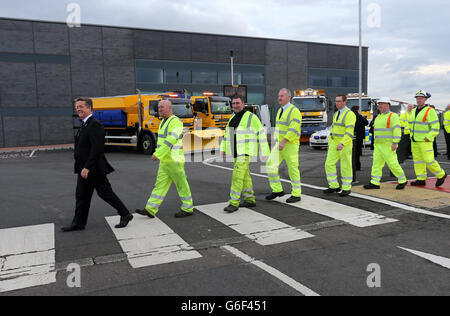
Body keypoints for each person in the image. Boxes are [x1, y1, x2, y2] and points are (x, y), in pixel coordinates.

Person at [62, 97, 133, 232]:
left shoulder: (95, 124)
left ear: (89, 108)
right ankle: (78, 222)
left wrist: (87, 167)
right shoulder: (84, 124)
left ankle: (125, 214)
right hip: (83, 168)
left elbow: (97, 149)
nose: (78, 109)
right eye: (77, 107)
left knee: (105, 193)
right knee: (81, 195)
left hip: (93, 168)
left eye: (81, 106)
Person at [135, 100, 196, 218]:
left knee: (181, 185)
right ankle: (150, 209)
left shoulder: (176, 122)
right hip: (166, 161)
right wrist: (160, 155)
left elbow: (170, 140)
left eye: (162, 107)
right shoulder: (163, 121)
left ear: (169, 108)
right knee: (160, 185)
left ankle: (188, 208)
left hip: (174, 160)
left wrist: (157, 154)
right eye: (159, 107)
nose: (160, 109)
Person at [220, 95, 270, 213]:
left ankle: (234, 202)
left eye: (238, 103)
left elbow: (261, 135)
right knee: (245, 176)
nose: (235, 105)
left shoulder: (251, 117)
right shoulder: (232, 117)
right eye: (233, 103)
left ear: (243, 104)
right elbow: (227, 135)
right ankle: (249, 199)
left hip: (245, 152)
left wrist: (265, 152)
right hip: (236, 152)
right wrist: (223, 149)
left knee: (237, 177)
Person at [265, 88, 303, 203]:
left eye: (282, 96)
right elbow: (280, 128)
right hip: (280, 144)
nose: (279, 98)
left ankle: (296, 194)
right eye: (278, 96)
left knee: (292, 169)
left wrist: (284, 141)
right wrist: (275, 139)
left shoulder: (294, 111)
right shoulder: (280, 110)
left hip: (290, 145)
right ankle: (277, 190)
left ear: (288, 97)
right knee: (270, 165)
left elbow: (293, 129)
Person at [363, 98, 408, 190]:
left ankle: (402, 180)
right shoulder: (379, 117)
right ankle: (375, 182)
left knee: (393, 164)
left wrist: (395, 142)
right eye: (379, 104)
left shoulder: (393, 116)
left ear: (388, 105)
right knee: (376, 164)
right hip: (378, 145)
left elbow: (396, 129)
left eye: (382, 104)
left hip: (388, 145)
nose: (379, 106)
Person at [409, 90, 447, 187]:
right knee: (418, 161)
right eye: (417, 98)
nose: (419, 100)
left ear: (425, 99)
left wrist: (428, 137)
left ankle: (441, 174)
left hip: (425, 141)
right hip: (415, 140)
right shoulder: (413, 111)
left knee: (429, 160)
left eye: (421, 98)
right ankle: (421, 179)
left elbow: (435, 127)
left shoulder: (430, 111)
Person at [323, 94, 357, 197]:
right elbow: (333, 130)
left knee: (345, 166)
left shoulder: (349, 114)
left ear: (345, 101)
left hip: (344, 144)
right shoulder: (336, 114)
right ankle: (334, 186)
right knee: (328, 164)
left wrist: (342, 143)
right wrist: (330, 143)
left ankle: (346, 188)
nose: (337, 103)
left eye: (339, 101)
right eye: (336, 101)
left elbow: (349, 131)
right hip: (334, 143)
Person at [351, 105, 369, 182]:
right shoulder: (359, 116)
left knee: (351, 153)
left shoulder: (350, 116)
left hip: (351, 136)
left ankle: (352, 166)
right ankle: (357, 166)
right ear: (357, 110)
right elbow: (366, 122)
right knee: (357, 152)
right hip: (359, 137)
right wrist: (362, 116)